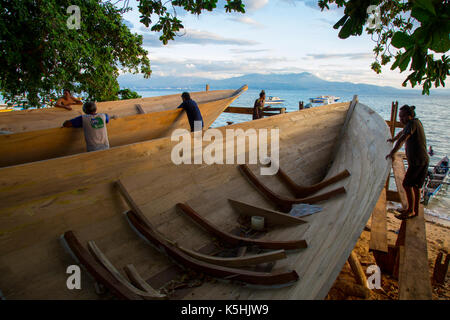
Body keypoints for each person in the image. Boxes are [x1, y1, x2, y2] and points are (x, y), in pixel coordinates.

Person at [386, 105, 429, 219]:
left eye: (402, 116)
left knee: (406, 184)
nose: (400, 119)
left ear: (410, 116)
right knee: (416, 186)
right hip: (422, 160)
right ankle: (414, 210)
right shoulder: (414, 123)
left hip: (417, 162)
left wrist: (393, 152)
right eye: (400, 116)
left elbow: (403, 138)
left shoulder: (412, 124)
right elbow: (402, 133)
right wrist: (393, 139)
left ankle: (410, 211)